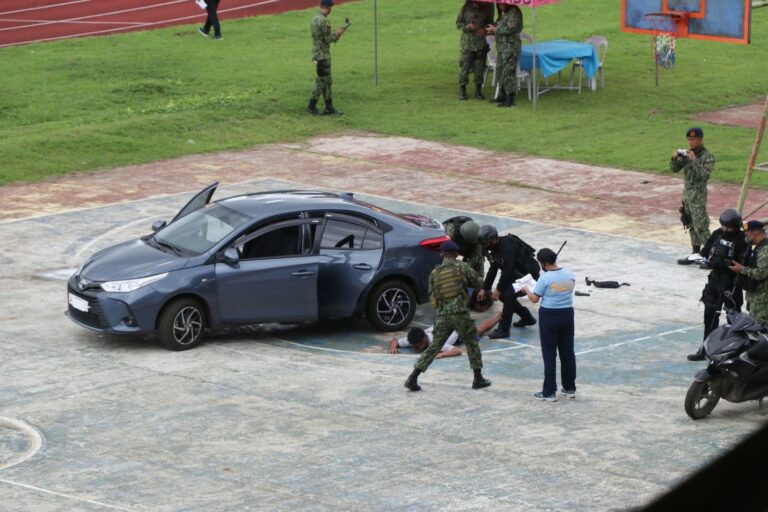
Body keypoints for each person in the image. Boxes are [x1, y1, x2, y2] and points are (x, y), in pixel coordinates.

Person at [404, 240, 491, 391]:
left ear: (442, 255)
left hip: (442, 315)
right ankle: (478, 379)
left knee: (434, 346)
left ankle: (413, 377)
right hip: (460, 313)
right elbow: (478, 282)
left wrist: (442, 310)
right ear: (455, 254)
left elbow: (432, 296)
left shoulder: (435, 273)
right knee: (471, 344)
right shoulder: (462, 267)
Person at [688, 209, 748, 361]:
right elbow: (706, 251)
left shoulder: (742, 240)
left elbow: (742, 263)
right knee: (709, 318)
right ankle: (704, 349)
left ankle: (736, 351)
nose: (725, 230)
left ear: (736, 226)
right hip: (714, 281)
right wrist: (702, 257)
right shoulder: (717, 234)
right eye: (723, 226)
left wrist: (723, 265)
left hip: (731, 285)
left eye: (729, 227)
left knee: (733, 319)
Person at [521, 248, 577, 402]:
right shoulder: (570, 273)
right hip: (567, 314)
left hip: (549, 315)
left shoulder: (545, 278)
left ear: (543, 263)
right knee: (567, 352)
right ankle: (569, 387)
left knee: (549, 353)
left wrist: (525, 288)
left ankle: (549, 391)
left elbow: (534, 299)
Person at [477, 224, 538, 339]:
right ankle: (527, 318)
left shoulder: (508, 245)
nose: (487, 247)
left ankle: (504, 329)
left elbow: (507, 269)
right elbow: (493, 268)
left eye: (487, 243)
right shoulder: (494, 248)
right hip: (516, 275)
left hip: (528, 276)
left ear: (493, 238)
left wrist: (498, 289)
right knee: (503, 295)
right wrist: (485, 288)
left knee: (508, 294)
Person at [670, 127, 715, 265]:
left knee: (701, 225)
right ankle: (695, 253)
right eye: (689, 139)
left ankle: (712, 256)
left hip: (698, 195)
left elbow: (703, 176)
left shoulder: (708, 157)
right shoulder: (688, 154)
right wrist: (674, 158)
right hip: (687, 195)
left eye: (693, 139)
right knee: (690, 223)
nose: (690, 142)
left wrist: (694, 161)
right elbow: (674, 169)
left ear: (700, 140)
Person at [307, 0, 347, 116]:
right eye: (330, 8)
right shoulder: (325, 21)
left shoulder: (314, 19)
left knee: (327, 81)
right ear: (327, 7)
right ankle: (311, 105)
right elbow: (328, 40)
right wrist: (338, 33)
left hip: (316, 53)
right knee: (322, 81)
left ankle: (329, 107)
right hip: (323, 55)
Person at [729, 220, 768, 326]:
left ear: (754, 234)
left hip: (763, 299)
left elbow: (762, 273)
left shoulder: (765, 250)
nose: (745, 238)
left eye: (747, 235)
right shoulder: (759, 247)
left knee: (760, 327)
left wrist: (741, 269)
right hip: (757, 295)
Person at [485, 3, 523, 107]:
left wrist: (495, 30)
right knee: (501, 71)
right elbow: (503, 27)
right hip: (502, 48)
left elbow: (511, 28)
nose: (499, 5)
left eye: (501, 2)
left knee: (509, 72)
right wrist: (494, 29)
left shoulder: (514, 12)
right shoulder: (505, 13)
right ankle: (502, 95)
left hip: (511, 48)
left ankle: (510, 99)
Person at [455, 1, 494, 101]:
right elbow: (458, 24)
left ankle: (478, 91)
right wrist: (469, 27)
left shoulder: (488, 6)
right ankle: (462, 90)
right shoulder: (465, 7)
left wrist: (484, 30)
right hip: (467, 44)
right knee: (465, 66)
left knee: (479, 67)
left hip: (480, 43)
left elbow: (490, 23)